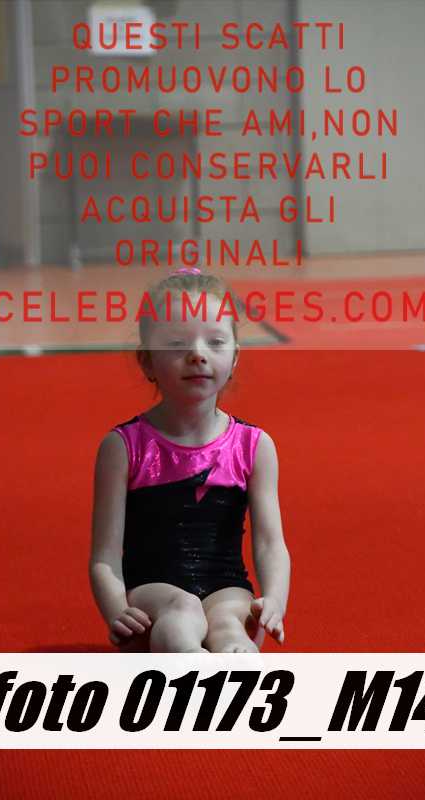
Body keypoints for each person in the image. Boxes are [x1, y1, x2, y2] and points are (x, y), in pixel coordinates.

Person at [89, 267, 290, 652]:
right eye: (177, 343)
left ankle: (235, 666)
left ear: (235, 357)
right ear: (147, 361)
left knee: (228, 622)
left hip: (228, 591)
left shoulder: (253, 445)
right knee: (181, 611)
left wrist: (274, 601)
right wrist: (116, 611)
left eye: (215, 342)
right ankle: (189, 663)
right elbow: (104, 556)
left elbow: (270, 543)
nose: (198, 354)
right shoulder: (123, 447)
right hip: (151, 603)